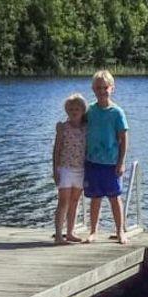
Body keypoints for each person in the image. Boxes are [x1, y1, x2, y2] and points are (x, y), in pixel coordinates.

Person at [81, 69, 130, 243]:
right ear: (93, 89)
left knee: (114, 197)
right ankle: (93, 231)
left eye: (105, 88)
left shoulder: (117, 112)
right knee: (95, 197)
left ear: (112, 88)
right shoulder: (90, 111)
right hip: (93, 161)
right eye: (98, 88)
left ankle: (120, 231)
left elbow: (124, 138)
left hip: (111, 162)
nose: (102, 91)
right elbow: (78, 126)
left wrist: (121, 162)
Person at [51, 92, 89, 243]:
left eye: (77, 109)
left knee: (75, 201)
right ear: (67, 111)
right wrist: (55, 169)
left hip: (80, 169)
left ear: (82, 111)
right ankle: (59, 235)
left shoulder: (86, 127)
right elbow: (57, 149)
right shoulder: (62, 127)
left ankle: (70, 232)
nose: (74, 112)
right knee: (63, 201)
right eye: (71, 109)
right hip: (65, 168)